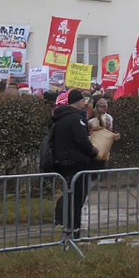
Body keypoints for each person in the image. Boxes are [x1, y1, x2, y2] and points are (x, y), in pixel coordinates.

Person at [50, 89, 99, 238]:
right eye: (83, 101)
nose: (85, 104)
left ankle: (68, 228)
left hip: (63, 162)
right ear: (78, 101)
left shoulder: (60, 117)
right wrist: (93, 152)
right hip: (76, 163)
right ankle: (74, 231)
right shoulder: (75, 118)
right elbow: (81, 140)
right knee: (77, 199)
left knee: (69, 196)